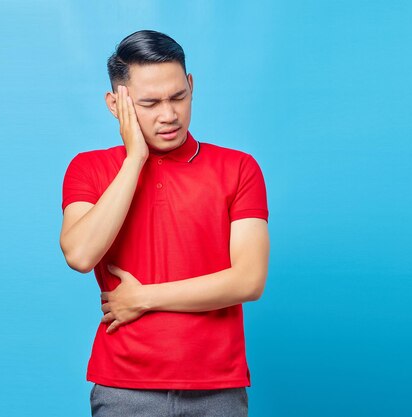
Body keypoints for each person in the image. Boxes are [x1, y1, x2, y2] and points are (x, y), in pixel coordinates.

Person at [59, 29, 270, 417]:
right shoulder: (89, 168)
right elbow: (81, 254)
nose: (169, 115)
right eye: (150, 103)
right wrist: (134, 158)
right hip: (124, 386)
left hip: (217, 388)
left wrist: (144, 297)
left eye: (178, 97)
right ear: (116, 103)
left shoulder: (239, 168)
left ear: (191, 85)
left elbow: (249, 280)